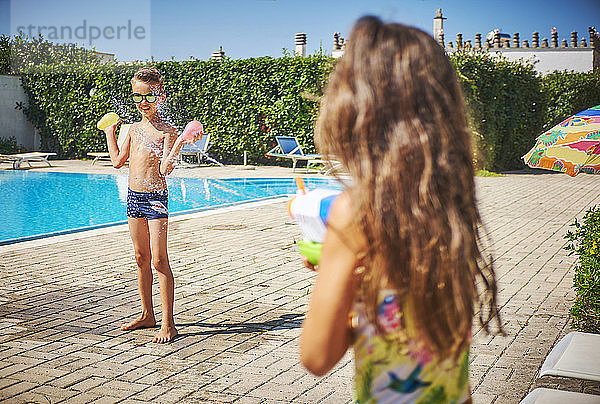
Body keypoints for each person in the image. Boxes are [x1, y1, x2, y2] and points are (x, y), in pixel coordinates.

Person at [299, 16, 503, 403]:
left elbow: (316, 356)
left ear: (353, 112)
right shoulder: (447, 204)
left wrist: (333, 275)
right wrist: (360, 283)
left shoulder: (355, 212)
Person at [103, 66, 200, 343]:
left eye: (149, 97)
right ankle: (148, 314)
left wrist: (176, 150)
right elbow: (118, 161)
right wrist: (111, 134)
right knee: (140, 258)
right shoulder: (133, 130)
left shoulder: (168, 132)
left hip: (155, 199)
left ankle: (168, 323)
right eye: (137, 97)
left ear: (161, 97)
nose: (143, 103)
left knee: (158, 260)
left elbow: (166, 168)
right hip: (133, 197)